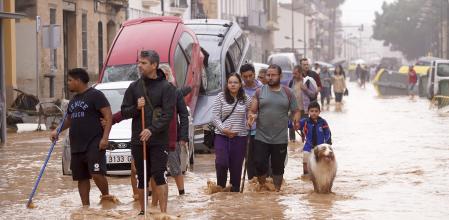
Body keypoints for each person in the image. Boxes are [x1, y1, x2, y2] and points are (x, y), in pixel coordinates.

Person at [121, 50, 176, 214]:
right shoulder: (134, 87)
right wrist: (136, 108)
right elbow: (124, 112)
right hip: (139, 140)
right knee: (141, 176)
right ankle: (143, 212)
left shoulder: (167, 87)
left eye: (143, 63)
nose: (139, 66)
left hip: (158, 140)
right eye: (139, 62)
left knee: (159, 174)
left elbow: (167, 115)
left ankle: (163, 213)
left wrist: (152, 130)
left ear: (154, 65)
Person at [50, 68, 114, 206]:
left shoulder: (96, 95)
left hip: (94, 142)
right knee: (81, 177)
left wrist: (105, 138)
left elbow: (108, 116)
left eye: (70, 80)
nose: (68, 83)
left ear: (78, 81)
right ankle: (85, 208)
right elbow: (69, 119)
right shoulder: (73, 100)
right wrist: (57, 130)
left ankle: (107, 198)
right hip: (77, 144)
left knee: (96, 173)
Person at [248, 64, 301, 191]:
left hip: (280, 138)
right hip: (261, 136)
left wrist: (296, 119)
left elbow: (296, 110)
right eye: (268, 75)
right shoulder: (259, 91)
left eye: (273, 75)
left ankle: (277, 191)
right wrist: (251, 116)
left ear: (280, 76)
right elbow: (252, 110)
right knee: (260, 164)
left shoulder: (288, 92)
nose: (270, 77)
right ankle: (262, 187)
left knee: (278, 168)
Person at [212, 73, 252, 192]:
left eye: (235, 82)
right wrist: (224, 129)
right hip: (222, 136)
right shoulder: (221, 96)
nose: (232, 85)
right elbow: (215, 117)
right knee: (221, 163)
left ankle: (234, 194)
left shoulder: (245, 98)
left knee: (236, 167)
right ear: (227, 84)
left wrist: (250, 119)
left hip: (240, 137)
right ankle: (221, 189)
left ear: (240, 84)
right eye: (230, 82)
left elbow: (251, 111)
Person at [241, 63, 262, 181]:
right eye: (245, 76)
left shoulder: (262, 89)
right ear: (241, 76)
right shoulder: (239, 90)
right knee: (249, 161)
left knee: (260, 160)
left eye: (250, 76)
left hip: (260, 130)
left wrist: (255, 116)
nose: (248, 79)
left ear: (254, 74)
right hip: (245, 131)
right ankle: (252, 184)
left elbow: (264, 109)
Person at [297, 102, 332, 176]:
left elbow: (328, 133)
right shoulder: (305, 121)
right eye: (312, 111)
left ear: (319, 112)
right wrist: (290, 123)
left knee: (321, 163)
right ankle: (306, 175)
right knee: (305, 158)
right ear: (308, 112)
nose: (314, 113)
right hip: (308, 146)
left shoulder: (323, 122)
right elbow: (296, 125)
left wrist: (327, 143)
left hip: (320, 148)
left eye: (316, 111)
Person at [288, 65, 316, 141]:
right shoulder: (291, 82)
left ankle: (305, 144)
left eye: (295, 73)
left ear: (300, 73)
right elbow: (288, 95)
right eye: (293, 73)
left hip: (304, 110)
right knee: (291, 127)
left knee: (304, 128)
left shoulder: (307, 81)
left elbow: (313, 94)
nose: (293, 75)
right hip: (293, 109)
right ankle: (292, 146)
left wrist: (305, 89)